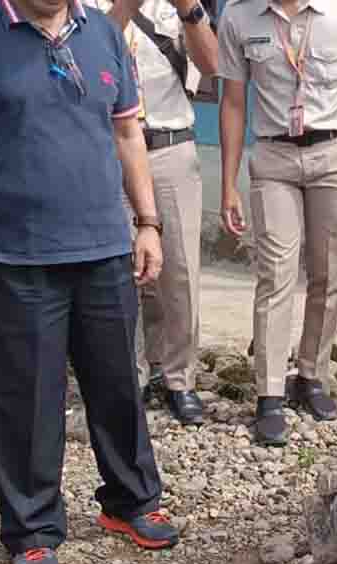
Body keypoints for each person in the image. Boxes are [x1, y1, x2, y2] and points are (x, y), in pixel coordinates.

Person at [0, 0, 179, 564]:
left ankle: (131, 501)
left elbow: (126, 131)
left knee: (118, 384)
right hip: (16, 254)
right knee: (27, 398)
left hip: (105, 246)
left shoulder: (100, 33)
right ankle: (32, 530)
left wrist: (146, 222)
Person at [215, 0, 337, 447]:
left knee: (327, 272)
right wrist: (228, 184)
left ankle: (312, 374)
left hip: (333, 153)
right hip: (273, 157)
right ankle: (269, 393)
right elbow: (233, 102)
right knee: (275, 274)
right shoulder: (238, 15)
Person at [98, 0, 216, 426]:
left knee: (180, 269)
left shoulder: (172, 7)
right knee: (121, 269)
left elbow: (213, 63)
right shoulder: (82, 9)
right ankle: (132, 375)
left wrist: (191, 12)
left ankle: (180, 379)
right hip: (110, 147)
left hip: (170, 144)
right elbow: (94, 49)